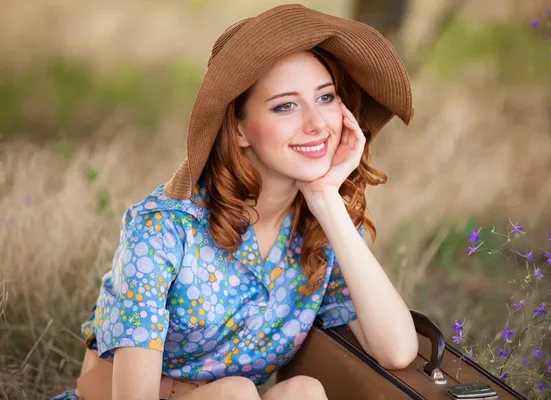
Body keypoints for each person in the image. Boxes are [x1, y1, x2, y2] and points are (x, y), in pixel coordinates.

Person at [51, 4, 418, 400]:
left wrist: (327, 201)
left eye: (326, 97)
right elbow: (106, 389)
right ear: (239, 127)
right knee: (236, 394)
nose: (316, 123)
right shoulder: (165, 228)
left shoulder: (325, 228)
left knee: (304, 393)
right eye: (286, 105)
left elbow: (396, 351)